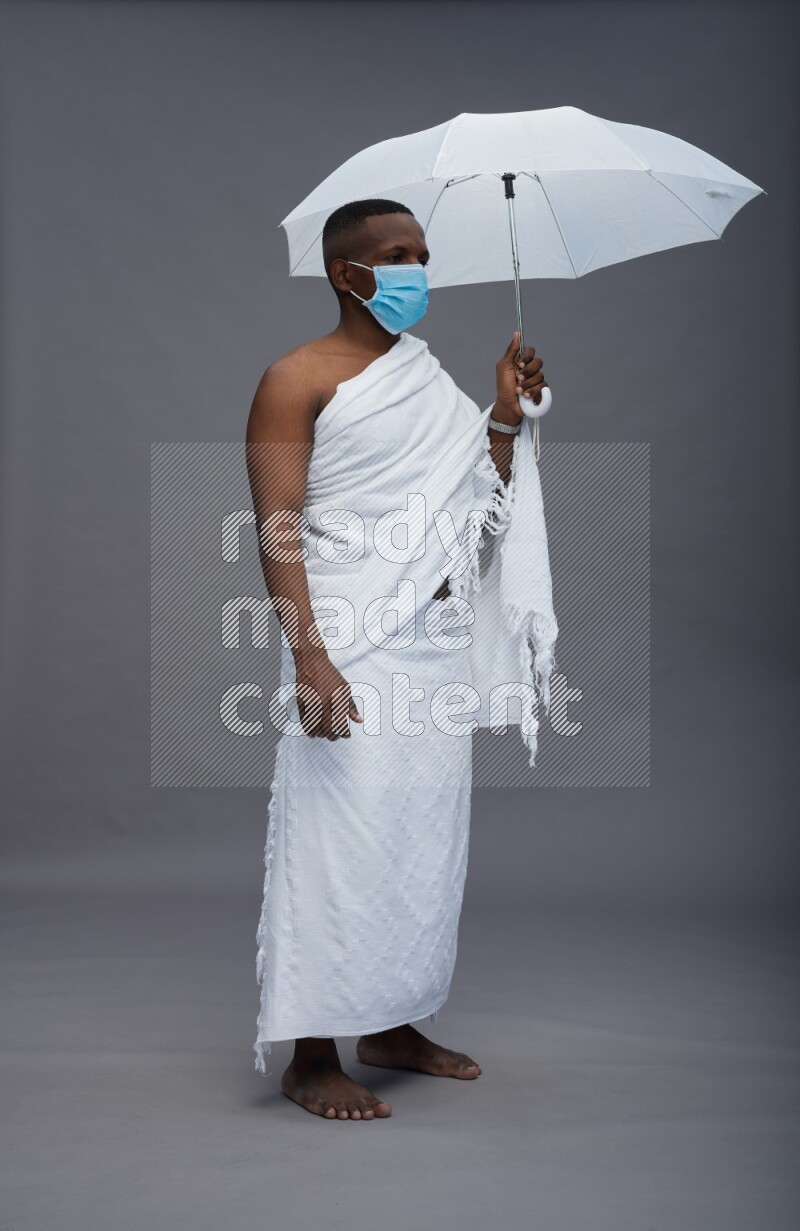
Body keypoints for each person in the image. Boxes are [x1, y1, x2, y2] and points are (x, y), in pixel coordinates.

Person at [245, 198, 550, 1121]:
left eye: (423, 253)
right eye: (397, 255)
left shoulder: (426, 377)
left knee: (422, 844)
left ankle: (393, 1023)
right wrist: (311, 660)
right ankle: (311, 1052)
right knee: (339, 845)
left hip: (432, 650)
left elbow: (474, 509)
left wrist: (500, 414)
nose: (418, 269)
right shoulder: (294, 380)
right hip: (349, 642)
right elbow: (278, 528)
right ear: (350, 275)